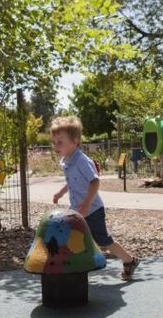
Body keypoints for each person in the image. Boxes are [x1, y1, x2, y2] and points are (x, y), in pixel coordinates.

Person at [49, 116, 140, 280]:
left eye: (60, 142)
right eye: (54, 142)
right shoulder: (66, 161)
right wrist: (61, 193)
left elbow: (94, 181)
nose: (56, 146)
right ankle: (77, 269)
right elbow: (72, 182)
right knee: (75, 237)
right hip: (79, 210)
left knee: (104, 241)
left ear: (75, 141)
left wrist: (87, 203)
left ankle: (130, 260)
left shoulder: (81, 161)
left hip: (93, 210)